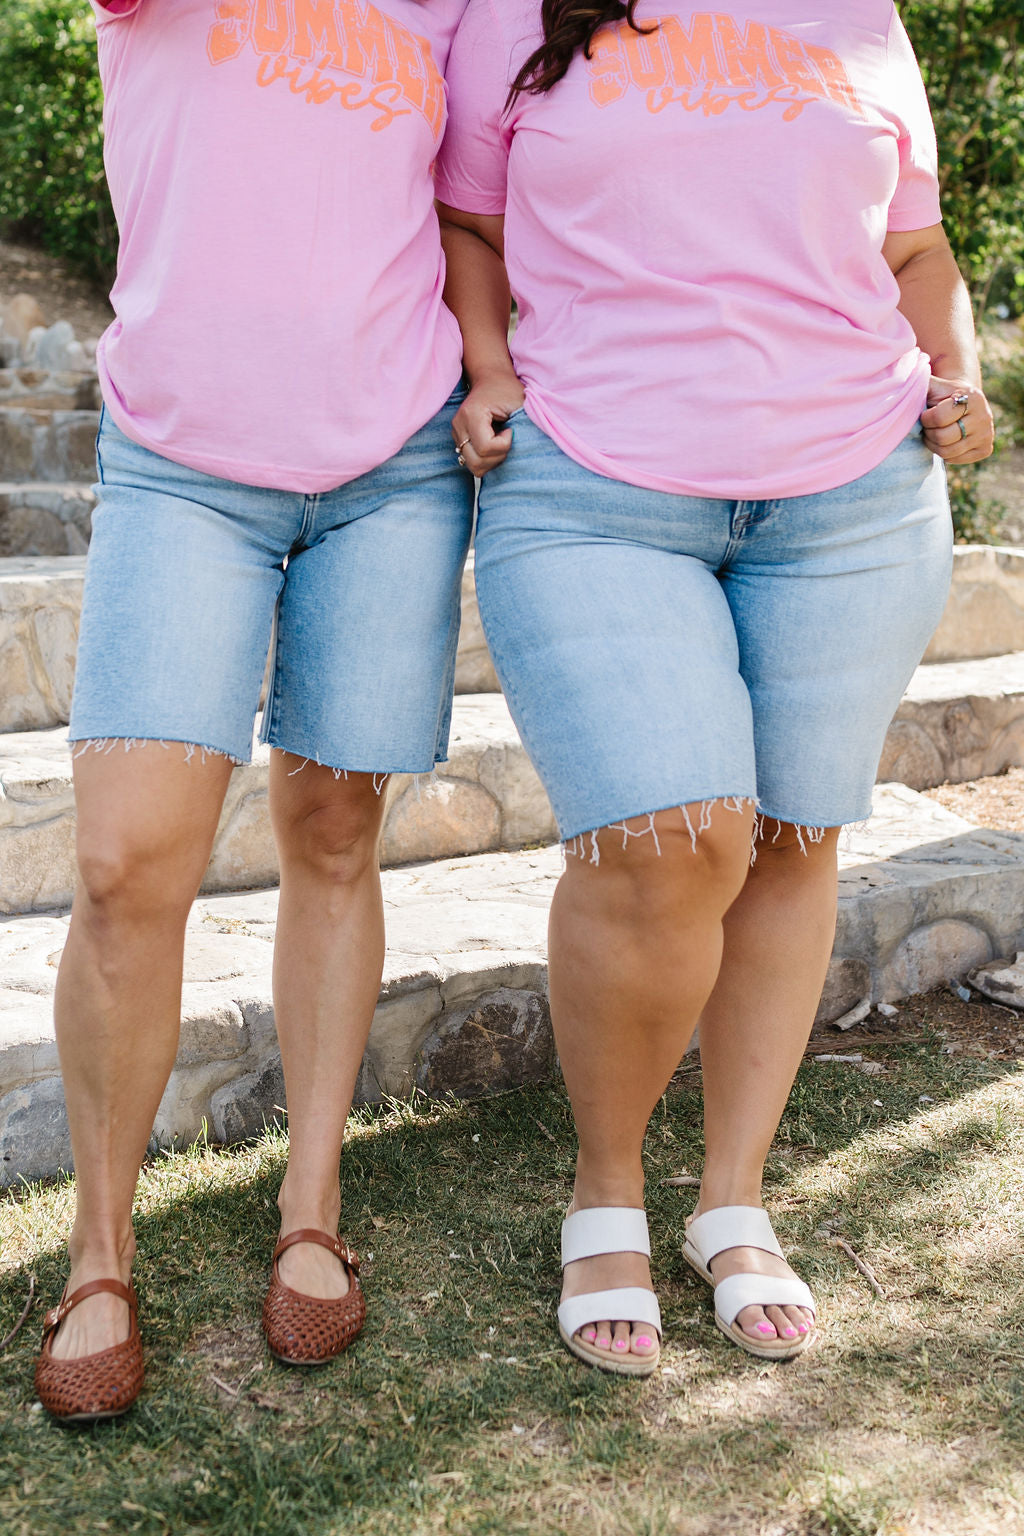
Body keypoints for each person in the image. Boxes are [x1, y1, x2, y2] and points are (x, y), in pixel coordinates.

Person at [435, 0, 994, 1376]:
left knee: (799, 840)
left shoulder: (863, 16)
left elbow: (916, 247)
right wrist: (492, 368)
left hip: (857, 495)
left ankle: (733, 1198)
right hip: (592, 486)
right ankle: (608, 1189)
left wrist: (962, 372)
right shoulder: (515, 12)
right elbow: (466, 226)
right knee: (673, 840)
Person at [35, 0, 473, 1423]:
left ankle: (312, 1196)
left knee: (335, 827)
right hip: (184, 466)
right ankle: (101, 1250)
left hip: (394, 465)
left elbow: (469, 207)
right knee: (124, 867)